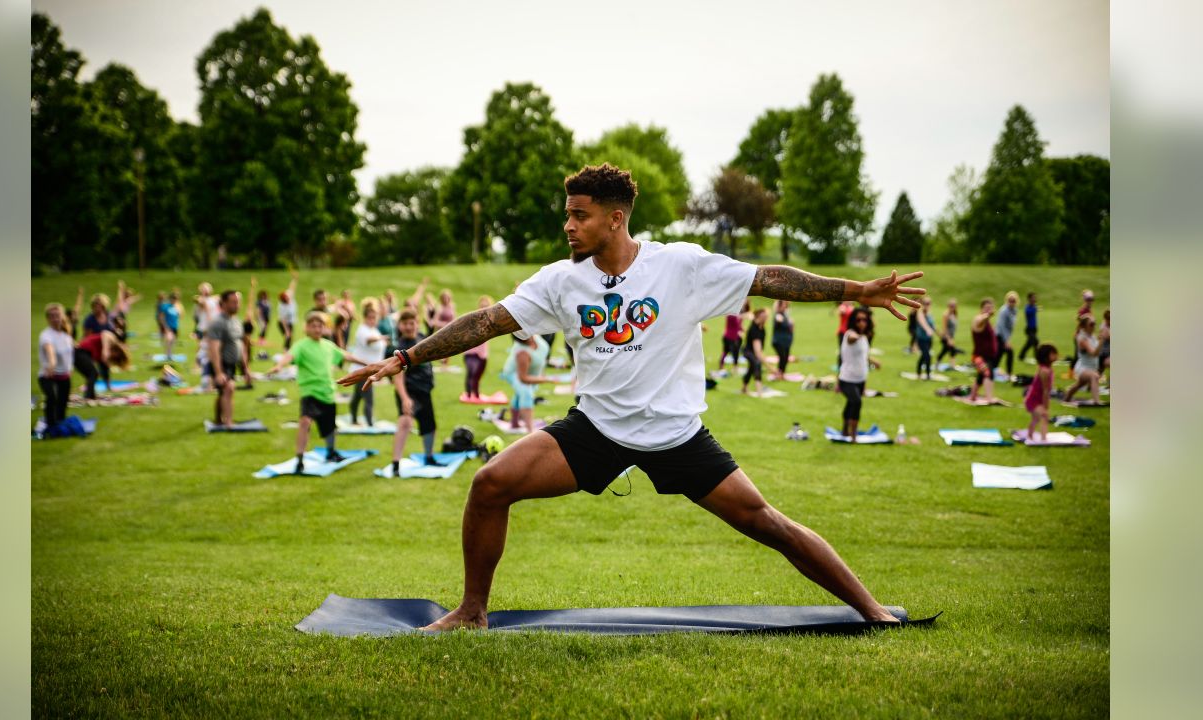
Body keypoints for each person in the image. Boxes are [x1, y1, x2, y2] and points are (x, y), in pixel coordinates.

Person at [339, 163, 924, 629]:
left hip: (676, 434)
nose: (568, 226)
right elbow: (488, 321)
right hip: (594, 431)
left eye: (579, 215)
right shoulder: (560, 280)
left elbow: (769, 278)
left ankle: (871, 609)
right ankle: (471, 612)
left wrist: (858, 289)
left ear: (615, 219)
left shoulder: (682, 267)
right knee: (490, 484)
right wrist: (405, 356)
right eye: (566, 215)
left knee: (768, 523)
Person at [266, 311, 368, 473]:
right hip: (310, 392)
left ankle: (331, 452)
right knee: (305, 422)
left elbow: (346, 356)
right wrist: (279, 366)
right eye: (313, 326)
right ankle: (300, 459)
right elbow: (289, 356)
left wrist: (367, 364)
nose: (317, 329)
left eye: (320, 326)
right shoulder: (301, 345)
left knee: (329, 428)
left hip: (327, 392)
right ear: (306, 328)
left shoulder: (328, 346)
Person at [386, 309, 443, 476]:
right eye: (406, 324)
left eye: (412, 323)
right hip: (409, 392)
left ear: (417, 323)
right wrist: (404, 398)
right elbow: (398, 377)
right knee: (405, 423)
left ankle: (429, 457)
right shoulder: (399, 348)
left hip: (424, 391)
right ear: (400, 326)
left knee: (430, 426)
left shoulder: (422, 338)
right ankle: (395, 464)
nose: (410, 327)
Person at [204, 290, 249, 428]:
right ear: (223, 304)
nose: (237, 305)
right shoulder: (218, 323)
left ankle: (218, 419)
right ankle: (229, 422)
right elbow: (214, 349)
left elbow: (241, 345)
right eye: (233, 302)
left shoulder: (236, 321)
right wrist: (218, 372)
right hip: (220, 363)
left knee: (222, 392)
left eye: (238, 302)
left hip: (232, 364)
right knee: (229, 389)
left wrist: (245, 369)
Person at [499, 333, 553, 434]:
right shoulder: (522, 352)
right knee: (525, 393)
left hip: (530, 373)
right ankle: (530, 430)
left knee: (520, 394)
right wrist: (544, 379)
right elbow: (523, 378)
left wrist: (541, 375)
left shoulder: (536, 336)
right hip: (514, 373)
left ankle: (514, 423)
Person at [838, 307, 879, 440]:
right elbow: (852, 338)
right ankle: (853, 435)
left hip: (861, 378)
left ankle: (845, 429)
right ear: (853, 321)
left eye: (864, 320)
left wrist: (874, 361)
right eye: (858, 320)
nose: (862, 322)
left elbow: (863, 355)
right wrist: (858, 335)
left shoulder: (865, 337)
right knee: (856, 402)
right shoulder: (849, 334)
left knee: (851, 402)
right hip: (847, 379)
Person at [347, 299, 387, 426]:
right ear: (365, 318)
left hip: (368, 370)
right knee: (368, 398)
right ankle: (370, 424)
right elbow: (369, 340)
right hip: (362, 370)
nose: (373, 320)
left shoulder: (374, 330)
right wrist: (381, 338)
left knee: (358, 397)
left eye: (374, 318)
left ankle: (354, 419)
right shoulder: (362, 330)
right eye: (370, 318)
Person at [38, 302, 74, 428]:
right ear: (48, 318)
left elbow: (68, 355)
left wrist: (70, 369)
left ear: (62, 316)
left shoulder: (65, 336)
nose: (55, 318)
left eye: (57, 315)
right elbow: (50, 352)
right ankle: (50, 426)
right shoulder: (46, 335)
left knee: (63, 403)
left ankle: (59, 425)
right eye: (52, 316)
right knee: (52, 398)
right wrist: (51, 365)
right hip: (48, 375)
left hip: (64, 376)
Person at [73, 325, 130, 402]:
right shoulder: (113, 341)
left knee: (92, 374)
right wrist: (105, 350)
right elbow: (105, 333)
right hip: (80, 352)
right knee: (93, 373)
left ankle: (91, 396)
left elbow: (105, 370)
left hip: (81, 354)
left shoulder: (103, 355)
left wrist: (109, 386)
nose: (113, 356)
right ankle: (88, 397)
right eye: (116, 356)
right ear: (117, 351)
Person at [1064, 315, 1103, 404]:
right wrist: (1102, 341)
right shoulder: (1082, 338)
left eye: (1095, 324)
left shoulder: (1092, 336)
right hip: (1083, 368)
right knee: (1094, 376)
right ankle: (1097, 402)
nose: (1094, 326)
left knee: (1078, 385)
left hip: (1091, 368)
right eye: (1091, 324)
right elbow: (1093, 353)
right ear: (1084, 326)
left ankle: (1066, 398)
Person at [1024, 343, 1058, 442]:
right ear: (1046, 356)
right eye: (1053, 354)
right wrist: (1046, 407)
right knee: (1044, 416)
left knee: (1036, 419)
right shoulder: (1044, 371)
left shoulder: (1047, 369)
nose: (1056, 355)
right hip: (1034, 399)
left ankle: (1030, 435)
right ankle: (1043, 440)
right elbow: (1045, 390)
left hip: (1037, 398)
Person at [968, 298, 1000, 404]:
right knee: (988, 373)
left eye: (990, 308)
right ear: (981, 309)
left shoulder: (987, 322)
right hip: (980, 356)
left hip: (988, 355)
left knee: (981, 376)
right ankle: (989, 399)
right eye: (986, 308)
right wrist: (987, 315)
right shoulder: (978, 319)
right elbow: (980, 321)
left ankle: (973, 396)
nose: (989, 310)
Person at [463, 295, 494, 399]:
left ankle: (476, 395)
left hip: (482, 354)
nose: (484, 307)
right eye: (482, 305)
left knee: (477, 376)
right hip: (470, 352)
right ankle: (468, 394)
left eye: (486, 306)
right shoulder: (473, 318)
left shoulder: (491, 320)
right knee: (471, 372)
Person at [741, 307, 768, 395]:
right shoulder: (754, 329)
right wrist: (770, 368)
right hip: (748, 351)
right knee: (757, 363)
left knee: (751, 368)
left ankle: (744, 388)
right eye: (764, 317)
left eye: (766, 317)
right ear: (759, 317)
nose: (766, 319)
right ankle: (759, 391)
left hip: (753, 352)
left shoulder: (762, 328)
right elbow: (757, 352)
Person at [718, 300, 748, 370]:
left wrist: (743, 330)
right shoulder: (732, 315)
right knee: (734, 352)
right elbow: (736, 324)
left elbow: (738, 325)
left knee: (726, 351)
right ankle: (735, 367)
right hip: (731, 338)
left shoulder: (734, 314)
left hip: (728, 336)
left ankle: (723, 366)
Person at [769, 300, 794, 381]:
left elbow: (791, 327)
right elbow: (782, 322)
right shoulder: (778, 315)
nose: (785, 306)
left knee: (785, 358)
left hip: (786, 341)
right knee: (782, 357)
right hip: (779, 341)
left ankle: (782, 373)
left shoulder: (785, 314)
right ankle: (779, 374)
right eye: (783, 304)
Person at [995, 291, 1019, 377]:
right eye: (1010, 300)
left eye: (1013, 301)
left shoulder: (1014, 310)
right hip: (999, 335)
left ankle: (992, 369)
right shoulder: (1004, 310)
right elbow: (1001, 326)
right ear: (1007, 300)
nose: (1011, 302)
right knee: (1009, 352)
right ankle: (1009, 373)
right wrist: (1006, 340)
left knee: (999, 354)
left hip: (1005, 336)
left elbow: (1010, 326)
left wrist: (1008, 338)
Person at [913, 297, 936, 379]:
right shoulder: (920, 313)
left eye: (929, 304)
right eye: (926, 304)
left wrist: (940, 334)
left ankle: (919, 372)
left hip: (929, 339)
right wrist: (928, 329)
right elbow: (923, 323)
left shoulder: (929, 314)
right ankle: (928, 375)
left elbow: (933, 326)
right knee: (927, 356)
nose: (927, 305)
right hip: (921, 339)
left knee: (924, 356)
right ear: (922, 304)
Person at [157, 290, 183, 360]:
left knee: (173, 341)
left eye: (176, 299)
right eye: (173, 299)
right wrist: (165, 327)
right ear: (170, 299)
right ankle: (167, 354)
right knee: (169, 339)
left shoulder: (177, 307)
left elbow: (180, 316)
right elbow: (161, 317)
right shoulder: (166, 306)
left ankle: (171, 354)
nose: (174, 300)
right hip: (167, 326)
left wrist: (179, 309)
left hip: (175, 326)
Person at [935, 298, 960, 367]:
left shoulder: (954, 314)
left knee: (945, 350)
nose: (953, 307)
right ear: (948, 306)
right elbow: (944, 328)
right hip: (946, 336)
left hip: (951, 336)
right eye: (951, 306)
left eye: (954, 306)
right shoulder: (946, 315)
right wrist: (949, 339)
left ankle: (949, 364)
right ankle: (952, 365)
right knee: (952, 350)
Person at [277, 271, 298, 350]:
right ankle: (285, 351)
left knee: (290, 337)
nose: (288, 299)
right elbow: (283, 320)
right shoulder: (282, 307)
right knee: (288, 336)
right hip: (283, 323)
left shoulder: (290, 297)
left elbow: (291, 287)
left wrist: (294, 279)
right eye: (286, 299)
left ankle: (288, 350)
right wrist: (286, 330)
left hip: (290, 322)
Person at [1017, 292, 1039, 362]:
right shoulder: (1028, 307)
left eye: (1035, 297)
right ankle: (1037, 357)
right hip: (1029, 329)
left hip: (1034, 329)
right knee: (1035, 341)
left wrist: (1035, 308)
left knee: (1030, 343)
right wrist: (1035, 309)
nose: (1034, 299)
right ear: (1029, 299)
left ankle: (1021, 356)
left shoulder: (1033, 307)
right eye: (1033, 298)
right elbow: (1028, 312)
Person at [834, 300, 854, 371]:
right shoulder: (842, 307)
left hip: (850, 333)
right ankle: (840, 367)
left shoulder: (852, 308)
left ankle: (848, 366)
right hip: (842, 332)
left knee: (850, 351)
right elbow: (841, 311)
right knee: (842, 350)